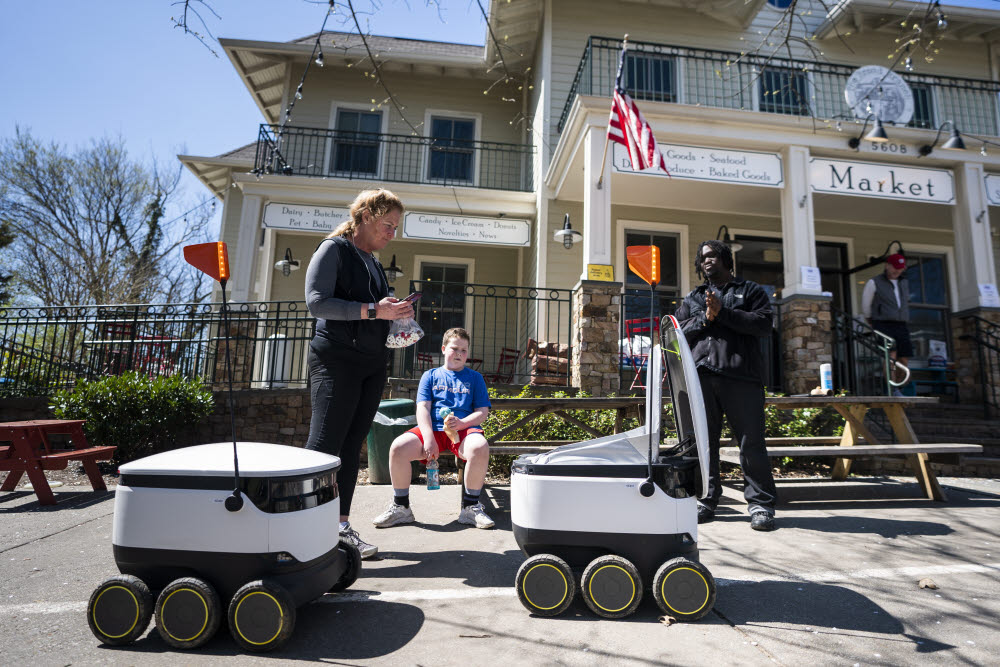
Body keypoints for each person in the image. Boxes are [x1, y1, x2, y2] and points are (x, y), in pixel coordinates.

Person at [304, 188, 414, 559]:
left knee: (351, 447)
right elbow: (317, 302)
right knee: (324, 447)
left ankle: (340, 529)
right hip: (335, 359)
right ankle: (303, 532)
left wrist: (395, 313)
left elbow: (374, 308)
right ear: (365, 216)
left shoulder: (373, 261)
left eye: (396, 228)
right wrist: (373, 310)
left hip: (371, 363)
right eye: (387, 225)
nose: (391, 234)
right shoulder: (333, 249)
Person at [672, 240, 778, 532]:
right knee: (703, 445)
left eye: (713, 255)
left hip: (741, 378)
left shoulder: (751, 291)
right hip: (701, 379)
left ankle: (761, 505)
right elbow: (678, 333)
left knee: (750, 444)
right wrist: (705, 319)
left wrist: (724, 313)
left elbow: (763, 325)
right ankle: (705, 500)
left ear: (725, 260)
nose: (707, 260)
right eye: (703, 257)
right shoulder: (693, 298)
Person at [371, 327, 495, 530]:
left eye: (464, 350)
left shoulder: (475, 378)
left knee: (480, 446)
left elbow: (482, 412)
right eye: (455, 348)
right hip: (433, 429)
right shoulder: (430, 376)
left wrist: (463, 423)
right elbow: (423, 408)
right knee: (398, 447)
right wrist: (428, 437)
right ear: (444, 348)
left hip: (462, 431)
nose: (459, 354)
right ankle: (401, 508)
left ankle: (470, 509)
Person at [861, 253, 912, 395]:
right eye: (895, 267)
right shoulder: (875, 282)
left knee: (904, 357)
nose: (897, 271)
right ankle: (893, 389)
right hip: (882, 323)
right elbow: (866, 304)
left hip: (901, 324)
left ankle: (900, 387)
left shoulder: (904, 282)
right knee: (891, 355)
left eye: (901, 268)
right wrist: (870, 319)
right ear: (887, 265)